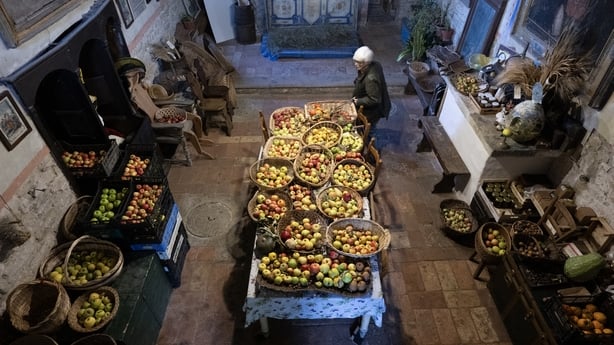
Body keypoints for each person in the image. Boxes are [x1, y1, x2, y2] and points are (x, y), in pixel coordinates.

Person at [351, 46, 391, 135]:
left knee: (368, 128)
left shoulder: (370, 79)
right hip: (373, 104)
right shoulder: (375, 64)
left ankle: (368, 140)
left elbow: (374, 99)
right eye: (355, 62)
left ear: (367, 63)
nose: (356, 64)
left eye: (359, 63)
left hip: (372, 111)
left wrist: (358, 101)